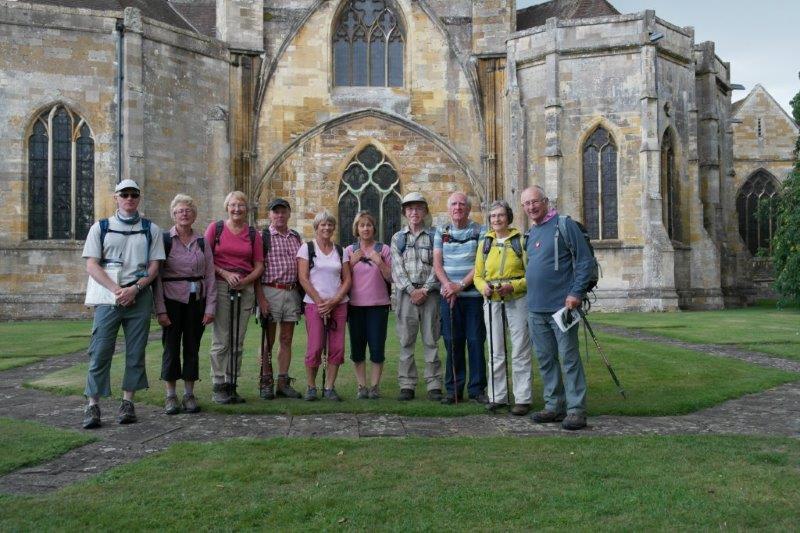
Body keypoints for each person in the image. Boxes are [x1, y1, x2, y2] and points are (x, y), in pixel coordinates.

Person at [81, 179, 165, 429]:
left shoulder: (151, 229)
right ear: (116, 198)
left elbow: (154, 266)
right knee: (100, 350)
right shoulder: (101, 227)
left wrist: (135, 289)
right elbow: (91, 264)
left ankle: (128, 403)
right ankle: (92, 405)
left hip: (139, 295)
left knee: (136, 351)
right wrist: (116, 290)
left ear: (139, 198)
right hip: (110, 296)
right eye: (124, 194)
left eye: (134, 194)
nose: (129, 198)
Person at [522, 185, 594, 430]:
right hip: (535, 307)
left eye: (535, 202)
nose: (531, 207)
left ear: (546, 201)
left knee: (569, 358)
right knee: (545, 359)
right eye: (526, 204)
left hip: (562, 307)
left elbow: (585, 260)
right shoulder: (530, 234)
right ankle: (554, 405)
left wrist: (576, 293)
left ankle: (576, 409)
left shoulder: (564, 225)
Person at [154, 194, 216, 415]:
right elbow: (157, 277)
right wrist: (160, 309)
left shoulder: (202, 241)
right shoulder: (165, 240)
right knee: (171, 346)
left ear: (194, 215)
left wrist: (210, 308)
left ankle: (189, 394)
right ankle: (170, 396)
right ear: (173, 215)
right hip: (171, 300)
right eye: (180, 211)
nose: (184, 214)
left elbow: (209, 275)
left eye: (188, 210)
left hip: (195, 301)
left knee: (192, 347)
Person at [205, 191, 264, 404]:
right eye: (232, 205)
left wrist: (246, 280)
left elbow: (259, 265)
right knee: (221, 338)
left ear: (246, 209)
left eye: (240, 205)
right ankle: (218, 383)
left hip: (244, 288)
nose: (236, 209)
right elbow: (206, 259)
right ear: (226, 207)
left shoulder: (253, 234)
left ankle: (232, 383)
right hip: (222, 286)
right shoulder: (216, 228)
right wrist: (226, 274)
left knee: (238, 339)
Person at [473, 200, 533, 415]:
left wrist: (514, 286)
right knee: (495, 349)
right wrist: (483, 288)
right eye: (493, 216)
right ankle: (497, 396)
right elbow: (478, 275)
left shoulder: (521, 242)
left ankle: (523, 398)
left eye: (500, 215)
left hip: (517, 298)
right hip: (492, 300)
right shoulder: (485, 244)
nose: (497, 219)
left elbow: (531, 275)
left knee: (520, 348)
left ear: (508, 217)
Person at [433, 192, 487, 404]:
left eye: (462, 204)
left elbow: (480, 264)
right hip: (449, 297)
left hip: (472, 297)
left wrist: (460, 286)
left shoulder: (480, 231)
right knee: (452, 343)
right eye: (454, 204)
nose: (458, 207)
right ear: (449, 209)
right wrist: (448, 287)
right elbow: (438, 263)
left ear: (468, 208)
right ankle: (453, 390)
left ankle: (476, 390)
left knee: (475, 342)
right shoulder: (441, 231)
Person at [391, 192, 443, 402]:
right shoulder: (398, 238)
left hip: (429, 294)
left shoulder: (434, 236)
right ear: (405, 212)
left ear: (425, 211)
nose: (414, 212)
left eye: (418, 208)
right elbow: (397, 267)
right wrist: (412, 290)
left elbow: (438, 266)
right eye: (410, 209)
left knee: (431, 340)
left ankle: (434, 384)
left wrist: (426, 289)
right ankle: (407, 384)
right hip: (406, 295)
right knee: (406, 341)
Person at [297, 210, 352, 401]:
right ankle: (311, 387)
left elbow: (347, 280)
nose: (327, 227)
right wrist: (321, 303)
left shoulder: (340, 251)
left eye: (330, 224)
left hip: (338, 305)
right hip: (315, 305)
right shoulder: (307, 248)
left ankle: (329, 387)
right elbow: (303, 278)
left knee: (337, 348)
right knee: (315, 347)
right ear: (316, 227)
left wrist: (335, 301)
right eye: (323, 224)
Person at [255, 198, 303, 400]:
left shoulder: (296, 237)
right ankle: (266, 381)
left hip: (291, 291)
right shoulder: (263, 237)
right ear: (270, 215)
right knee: (268, 339)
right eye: (276, 212)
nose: (279, 215)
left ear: (289, 214)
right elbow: (256, 271)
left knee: (286, 339)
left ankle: (282, 382)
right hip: (270, 290)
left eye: (283, 212)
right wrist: (261, 299)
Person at [343, 211, 392, 399]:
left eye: (369, 225)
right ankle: (361, 386)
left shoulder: (383, 249)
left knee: (377, 347)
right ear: (356, 228)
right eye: (361, 225)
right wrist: (351, 264)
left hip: (378, 306)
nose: (365, 228)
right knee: (357, 348)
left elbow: (391, 277)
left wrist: (380, 262)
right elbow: (341, 278)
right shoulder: (349, 251)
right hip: (355, 306)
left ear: (374, 228)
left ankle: (374, 387)